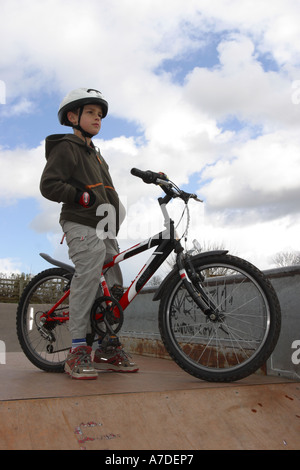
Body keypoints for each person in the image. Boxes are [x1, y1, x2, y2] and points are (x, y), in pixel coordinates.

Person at [40, 88, 138, 379]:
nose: (98, 118)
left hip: (104, 225)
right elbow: (49, 184)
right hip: (79, 220)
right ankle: (78, 349)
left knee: (113, 277)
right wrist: (79, 196)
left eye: (100, 114)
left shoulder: (97, 156)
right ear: (73, 116)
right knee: (92, 261)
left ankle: (106, 346)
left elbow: (107, 192)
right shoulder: (67, 147)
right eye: (91, 113)